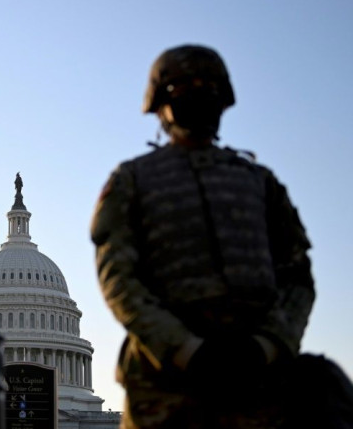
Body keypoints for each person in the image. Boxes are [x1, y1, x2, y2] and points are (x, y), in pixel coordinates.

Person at [90, 45, 315, 429]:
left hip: (258, 377)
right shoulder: (132, 181)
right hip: (165, 381)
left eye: (208, 86)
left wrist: (266, 345)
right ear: (163, 100)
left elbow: (297, 275)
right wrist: (184, 348)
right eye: (184, 86)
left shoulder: (260, 183)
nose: (199, 94)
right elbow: (119, 279)